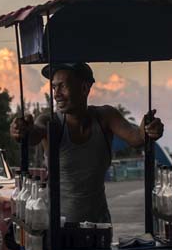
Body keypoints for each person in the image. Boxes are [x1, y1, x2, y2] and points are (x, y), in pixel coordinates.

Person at [10, 62, 163, 223]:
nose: (56, 94)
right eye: (54, 87)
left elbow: (136, 137)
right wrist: (21, 130)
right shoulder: (50, 121)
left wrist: (148, 128)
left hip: (99, 227)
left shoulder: (105, 116)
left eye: (62, 86)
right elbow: (34, 134)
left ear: (84, 88)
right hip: (58, 230)